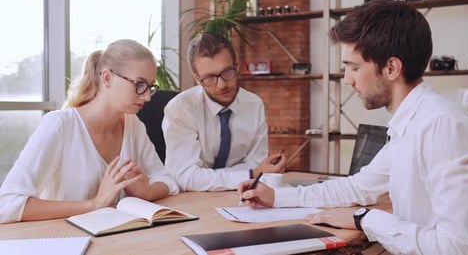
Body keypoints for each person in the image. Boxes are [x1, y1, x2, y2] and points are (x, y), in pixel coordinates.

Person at [238, 0, 468, 254]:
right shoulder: (410, 122)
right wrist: (277, 197)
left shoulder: (443, 127)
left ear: (391, 68)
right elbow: (358, 187)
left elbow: (460, 248)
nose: (348, 80)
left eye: (353, 67)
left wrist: (364, 218)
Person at [0, 39, 179, 224]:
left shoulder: (133, 124)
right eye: (139, 84)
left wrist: (146, 191)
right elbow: (7, 205)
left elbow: (166, 179)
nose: (147, 96)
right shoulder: (59, 125)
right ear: (107, 78)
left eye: (150, 86)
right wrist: (94, 204)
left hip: (118, 238)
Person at [162, 32, 286, 191]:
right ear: (197, 78)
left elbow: (257, 165)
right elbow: (187, 178)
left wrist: (253, 172)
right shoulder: (181, 109)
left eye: (227, 72)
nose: (221, 85)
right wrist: (251, 173)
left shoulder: (254, 105)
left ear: (237, 66)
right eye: (209, 78)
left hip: (239, 194)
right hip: (192, 199)